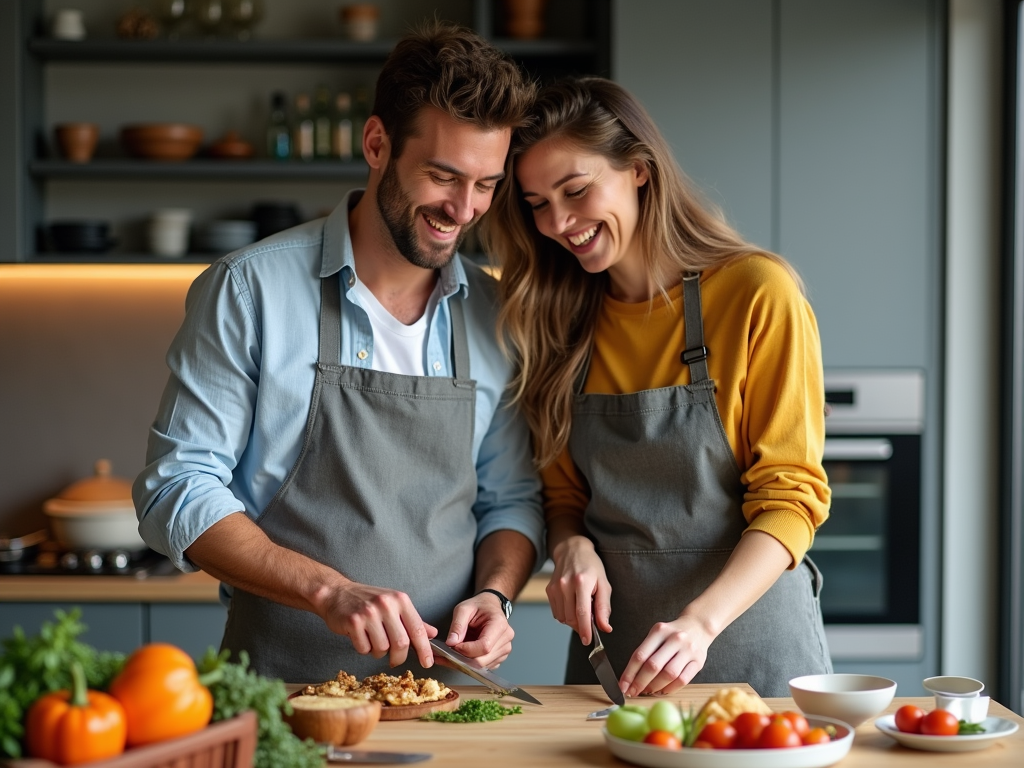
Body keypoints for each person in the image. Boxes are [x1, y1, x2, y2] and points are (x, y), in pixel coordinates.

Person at [133, 22, 543, 684]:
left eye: (487, 184)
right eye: (443, 175)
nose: (464, 209)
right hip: (281, 690)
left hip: (448, 694)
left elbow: (512, 500)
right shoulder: (250, 290)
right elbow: (176, 489)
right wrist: (328, 591)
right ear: (377, 144)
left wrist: (496, 594)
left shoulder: (496, 315)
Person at [484, 77, 833, 698]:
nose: (559, 222)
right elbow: (563, 498)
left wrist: (700, 623)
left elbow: (791, 498)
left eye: (576, 190)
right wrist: (571, 551)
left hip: (756, 657)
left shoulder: (757, 293)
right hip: (616, 668)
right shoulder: (559, 320)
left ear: (639, 170)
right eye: (537, 203)